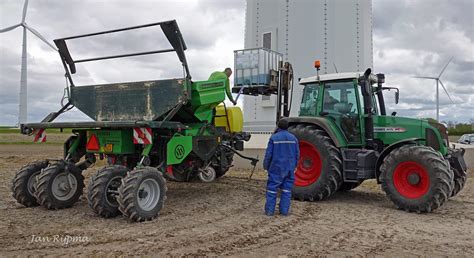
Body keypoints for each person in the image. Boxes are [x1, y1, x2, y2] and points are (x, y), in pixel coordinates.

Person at [263, 119, 300, 216]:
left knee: (272, 189)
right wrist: (295, 166)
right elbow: (297, 154)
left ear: (278, 126)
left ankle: (270, 212)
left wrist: (266, 166)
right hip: (289, 168)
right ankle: (284, 212)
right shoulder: (294, 138)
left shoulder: (274, 138)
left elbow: (268, 154)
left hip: (276, 167)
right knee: (287, 190)